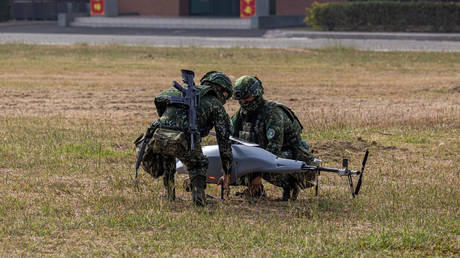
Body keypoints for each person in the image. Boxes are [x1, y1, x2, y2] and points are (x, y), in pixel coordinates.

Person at [135, 71, 233, 206]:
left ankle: (170, 195)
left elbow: (160, 98)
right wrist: (227, 171)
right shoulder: (215, 104)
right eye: (226, 95)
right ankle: (198, 197)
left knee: (168, 159)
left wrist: (168, 118)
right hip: (186, 137)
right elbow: (224, 140)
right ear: (221, 89)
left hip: (160, 135)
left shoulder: (179, 92)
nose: (225, 99)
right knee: (198, 164)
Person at [231, 75, 316, 201]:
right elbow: (233, 140)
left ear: (257, 94)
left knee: (269, 164)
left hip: (289, 156)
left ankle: (291, 187)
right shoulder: (241, 114)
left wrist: (256, 174)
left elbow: (274, 149)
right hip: (261, 153)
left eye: (246, 99)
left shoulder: (273, 112)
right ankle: (255, 191)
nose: (243, 103)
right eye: (240, 100)